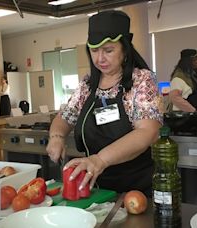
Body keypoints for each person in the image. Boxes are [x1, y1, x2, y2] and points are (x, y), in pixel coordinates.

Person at [46, 10, 162, 194]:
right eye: (94, 51)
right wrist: (56, 137)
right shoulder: (87, 85)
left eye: (108, 50)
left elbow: (148, 132)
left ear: (125, 49)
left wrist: (100, 160)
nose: (100, 59)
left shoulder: (141, 80)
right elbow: (65, 117)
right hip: (95, 187)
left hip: (136, 189)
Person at [168, 49, 197, 113]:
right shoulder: (179, 78)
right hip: (184, 118)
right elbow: (175, 97)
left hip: (194, 116)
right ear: (187, 62)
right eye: (195, 60)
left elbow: (189, 93)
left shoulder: (192, 76)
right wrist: (193, 111)